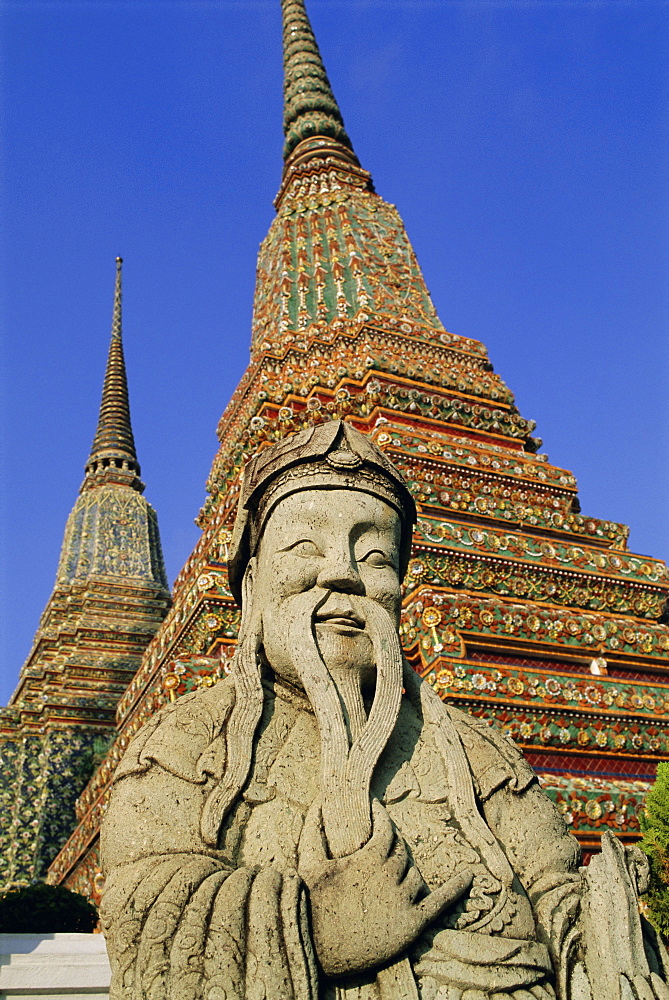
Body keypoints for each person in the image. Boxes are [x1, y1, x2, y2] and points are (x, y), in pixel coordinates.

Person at [100, 420, 668, 1000]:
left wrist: (607, 941)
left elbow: (557, 894)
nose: (342, 573)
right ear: (251, 585)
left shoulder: (475, 755)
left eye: (375, 555)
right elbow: (139, 909)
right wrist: (311, 925)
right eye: (304, 546)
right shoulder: (184, 745)